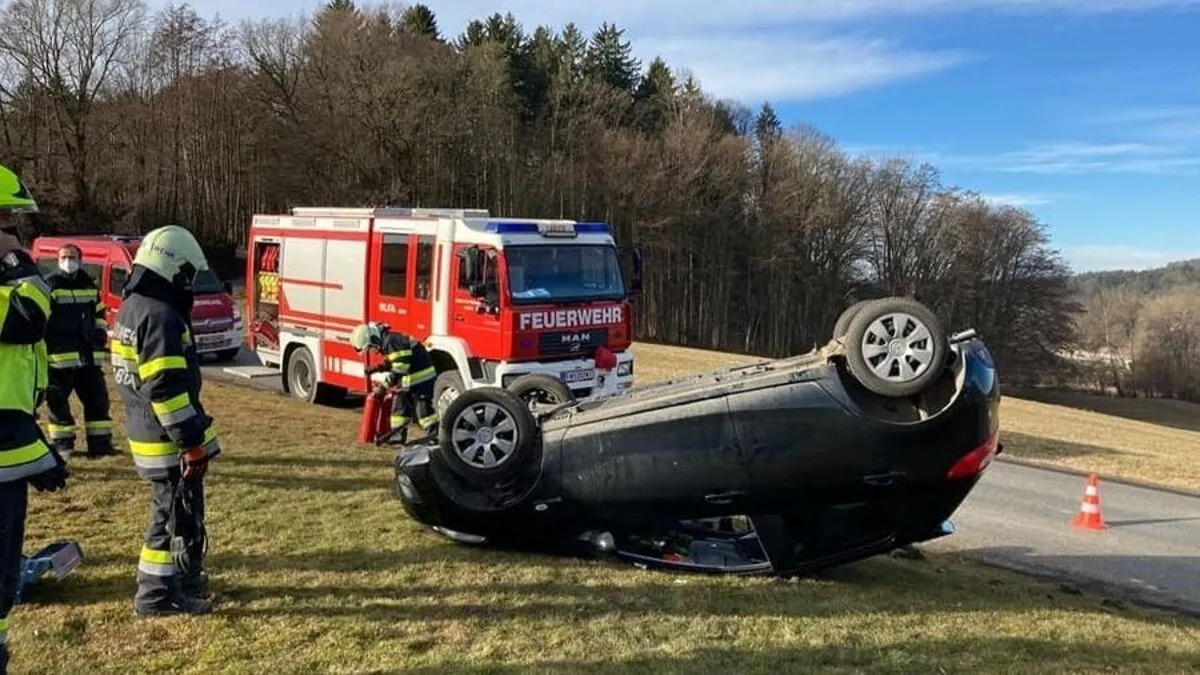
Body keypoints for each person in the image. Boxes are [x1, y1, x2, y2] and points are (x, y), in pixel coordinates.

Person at [110, 224, 219, 617]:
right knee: (168, 517)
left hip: (147, 431)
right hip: (164, 439)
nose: (188, 284)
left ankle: (183, 578)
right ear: (171, 268)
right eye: (186, 275)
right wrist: (190, 442)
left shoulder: (133, 306)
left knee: (180, 512)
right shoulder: (160, 315)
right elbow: (166, 389)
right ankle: (155, 596)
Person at [0, 164, 69, 674]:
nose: (12, 232)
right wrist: (22, 270)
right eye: (4, 220)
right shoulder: (14, 277)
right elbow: (28, 323)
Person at [43, 243, 114, 459]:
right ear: (57, 260)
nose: (68, 260)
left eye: (72, 256)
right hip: (59, 359)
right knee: (58, 403)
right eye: (64, 256)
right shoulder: (50, 285)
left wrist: (101, 332)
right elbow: (42, 318)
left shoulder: (88, 284)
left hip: (88, 357)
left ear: (80, 259)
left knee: (98, 401)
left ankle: (100, 446)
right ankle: (63, 447)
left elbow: (100, 314)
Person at [349, 322, 439, 441]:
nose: (373, 350)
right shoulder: (388, 342)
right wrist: (377, 368)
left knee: (424, 411)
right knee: (399, 408)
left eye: (371, 347)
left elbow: (400, 368)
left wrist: (383, 387)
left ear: (374, 338)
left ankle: (433, 436)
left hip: (422, 379)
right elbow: (394, 361)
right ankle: (397, 436)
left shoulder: (392, 341)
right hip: (410, 379)